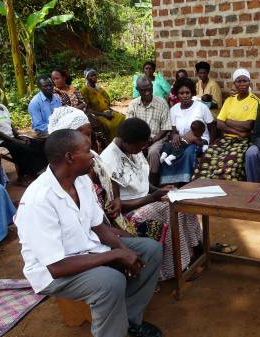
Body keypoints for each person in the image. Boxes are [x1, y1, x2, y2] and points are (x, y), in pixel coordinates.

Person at [15, 129, 163, 337]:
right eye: (87, 150)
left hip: (88, 249)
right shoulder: (38, 201)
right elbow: (56, 267)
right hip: (53, 272)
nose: (94, 155)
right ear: (70, 157)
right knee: (110, 282)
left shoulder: (81, 180)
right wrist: (116, 254)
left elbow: (98, 226)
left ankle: (129, 318)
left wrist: (124, 250)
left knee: (150, 250)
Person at [100, 118, 203, 280]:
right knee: (168, 209)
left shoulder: (132, 149)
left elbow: (143, 184)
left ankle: (197, 248)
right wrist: (152, 198)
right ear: (126, 141)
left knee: (181, 201)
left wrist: (159, 190)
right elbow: (114, 207)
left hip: (147, 200)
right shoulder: (108, 160)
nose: (143, 148)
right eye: (140, 146)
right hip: (127, 216)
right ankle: (178, 267)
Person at [193, 68, 260, 181]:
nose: (242, 84)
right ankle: (205, 188)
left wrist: (228, 121)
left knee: (230, 163)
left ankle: (228, 191)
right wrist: (238, 131)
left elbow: (248, 125)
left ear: (249, 82)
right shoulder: (229, 100)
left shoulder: (254, 101)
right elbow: (219, 124)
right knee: (208, 156)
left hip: (243, 141)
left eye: (245, 80)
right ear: (234, 83)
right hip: (226, 139)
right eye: (239, 81)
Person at [159, 77, 214, 185]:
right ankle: (168, 183)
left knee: (189, 151)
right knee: (168, 150)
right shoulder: (174, 109)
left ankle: (185, 182)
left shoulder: (201, 107)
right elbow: (173, 130)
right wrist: (174, 136)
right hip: (182, 140)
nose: (184, 96)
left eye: (187, 92)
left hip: (199, 141)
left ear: (192, 93)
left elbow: (212, 127)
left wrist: (211, 144)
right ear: (177, 94)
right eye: (181, 93)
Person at [0, 80, 47, 185]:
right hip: (0, 141)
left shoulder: (3, 107)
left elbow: (10, 125)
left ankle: (34, 172)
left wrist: (19, 136)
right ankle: (22, 177)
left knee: (37, 144)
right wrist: (16, 141)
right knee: (23, 149)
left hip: (11, 137)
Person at [127, 76, 171, 185]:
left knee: (153, 152)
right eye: (143, 90)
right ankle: (134, 184)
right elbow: (129, 126)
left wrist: (151, 141)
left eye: (149, 89)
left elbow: (166, 127)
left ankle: (152, 185)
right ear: (138, 90)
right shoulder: (133, 104)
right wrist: (139, 142)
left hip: (156, 138)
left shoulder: (161, 103)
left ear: (152, 86)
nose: (147, 92)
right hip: (137, 139)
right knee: (129, 151)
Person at [52, 68, 107, 151]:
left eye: (57, 78)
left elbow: (84, 103)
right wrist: (78, 108)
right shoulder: (55, 93)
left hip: (82, 115)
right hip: (68, 121)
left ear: (64, 77)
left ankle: (95, 150)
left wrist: (77, 108)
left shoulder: (73, 89)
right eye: (53, 79)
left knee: (92, 131)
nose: (55, 81)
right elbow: (64, 110)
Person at [81, 68, 126, 143]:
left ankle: (123, 141)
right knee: (110, 125)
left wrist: (110, 111)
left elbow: (107, 102)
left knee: (123, 118)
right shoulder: (85, 90)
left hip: (107, 111)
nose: (94, 77)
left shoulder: (100, 89)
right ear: (87, 77)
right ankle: (112, 144)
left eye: (95, 75)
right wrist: (104, 114)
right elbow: (87, 109)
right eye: (91, 75)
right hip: (96, 115)